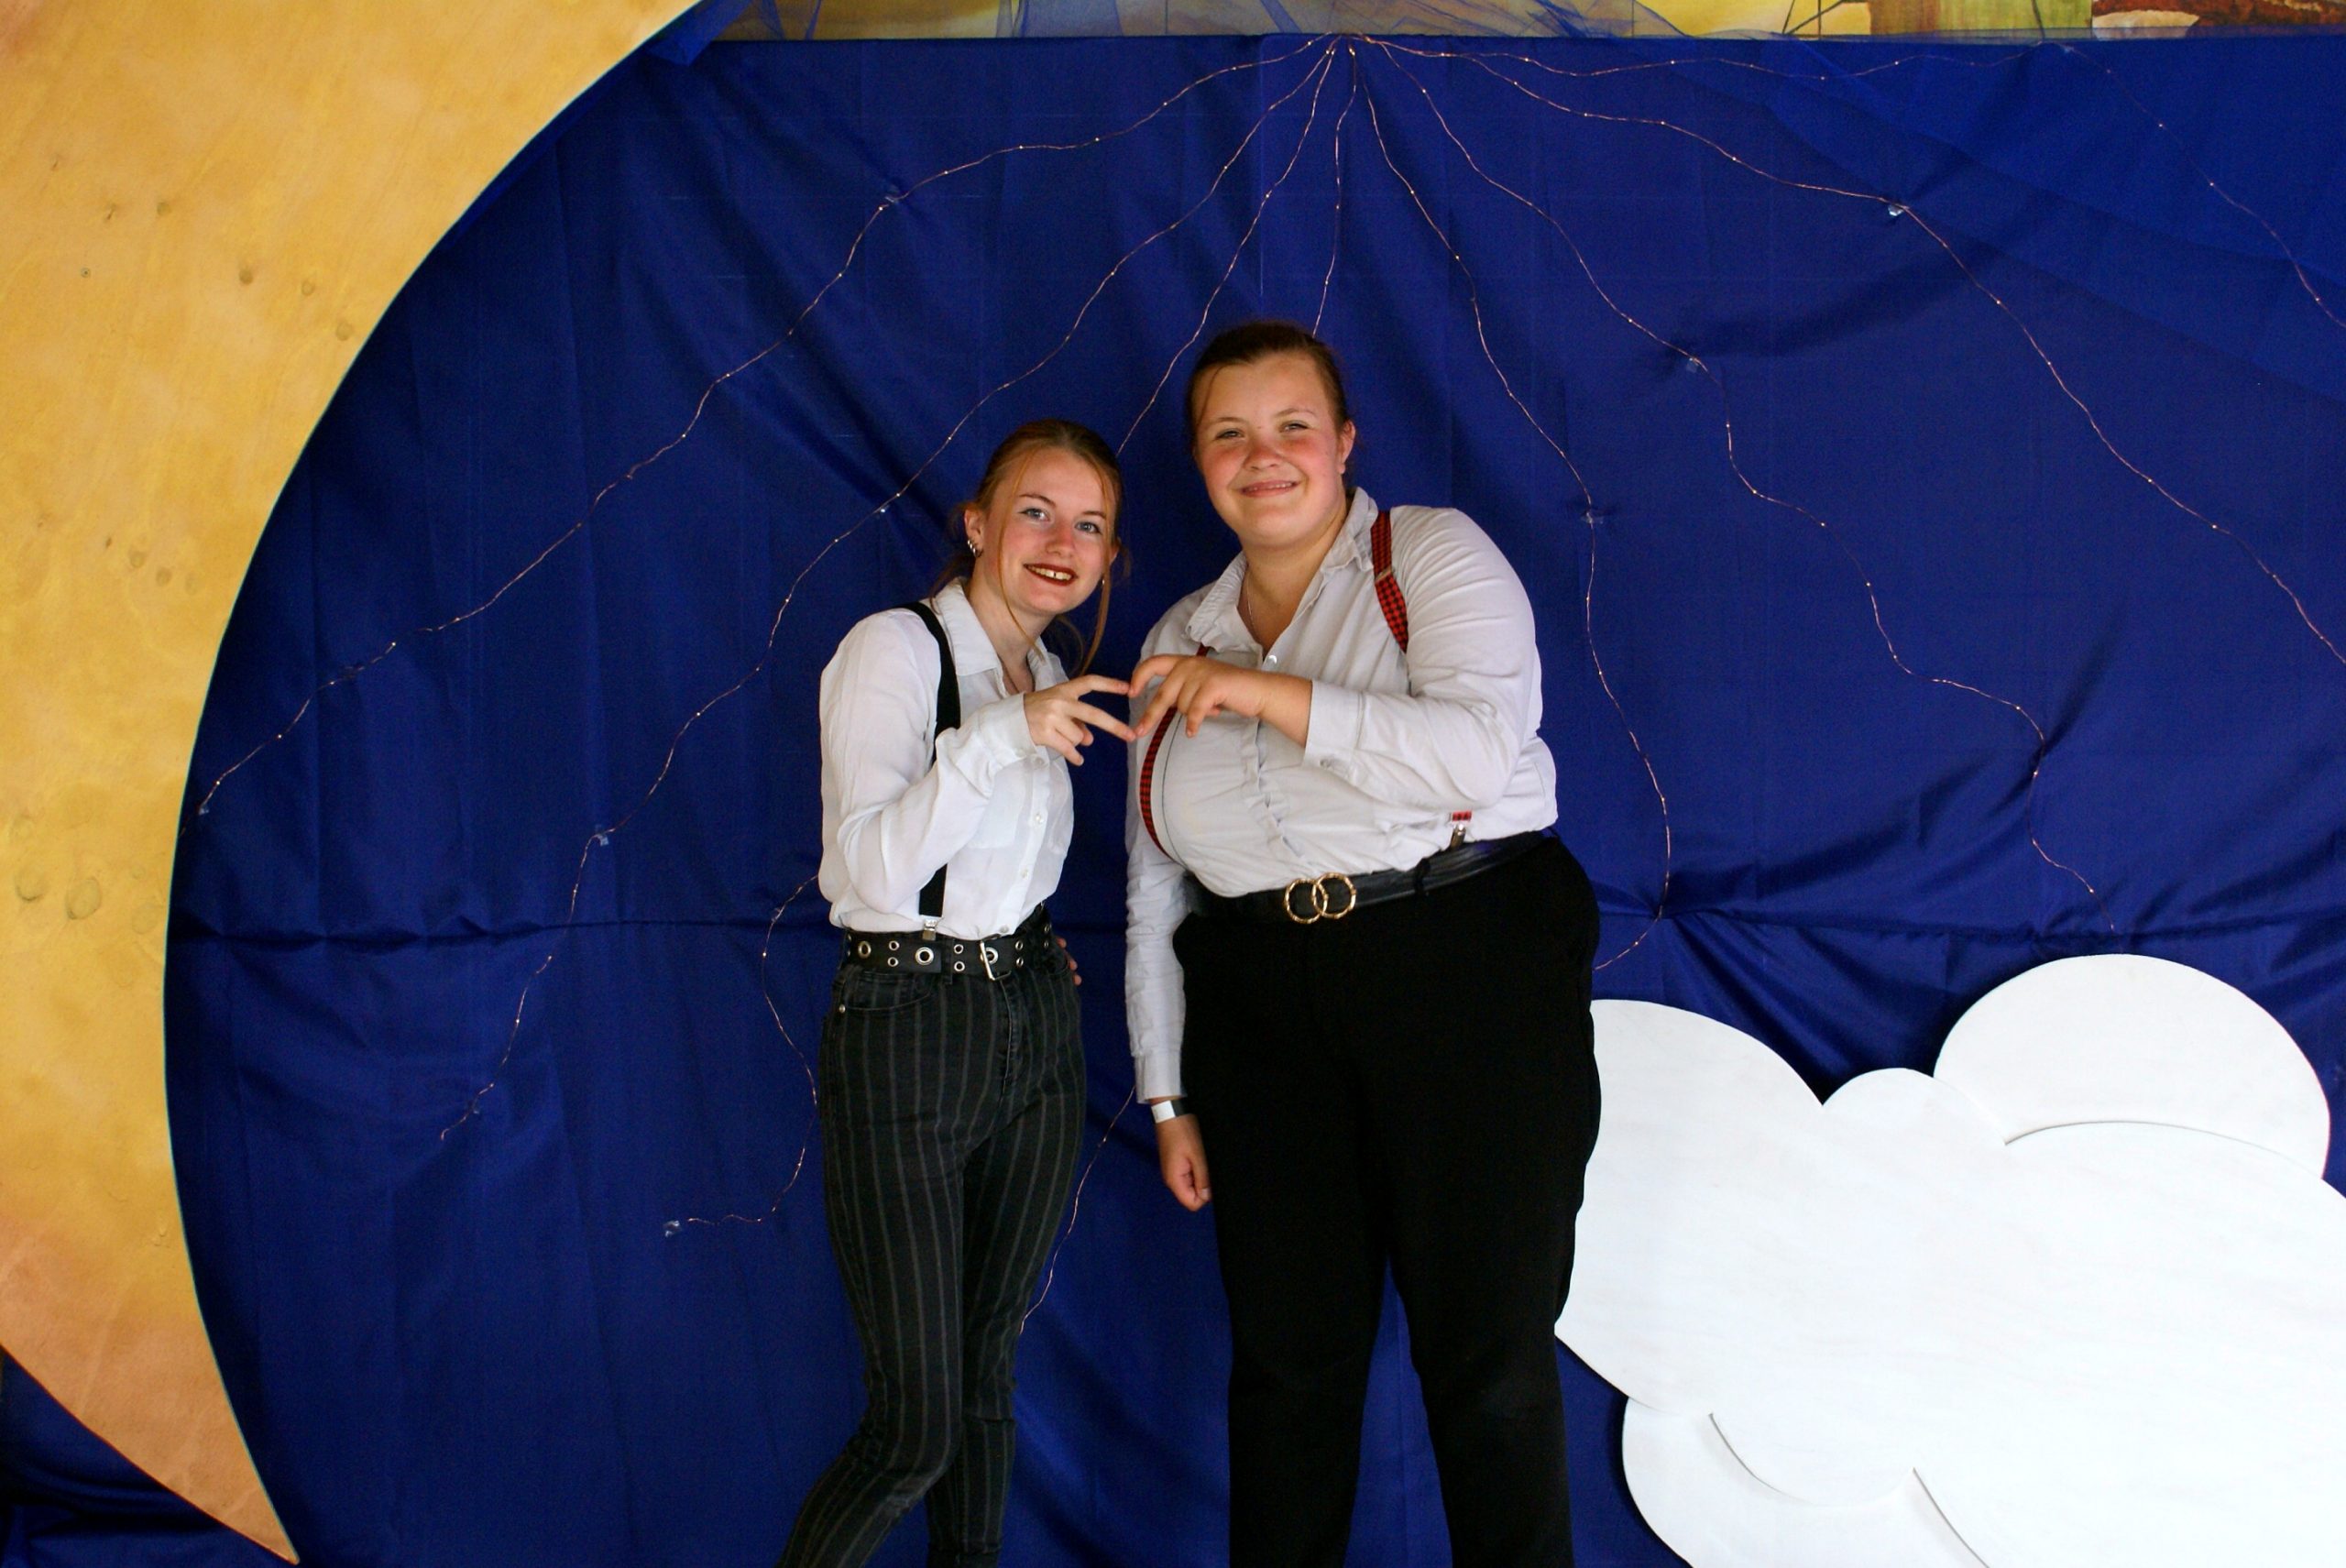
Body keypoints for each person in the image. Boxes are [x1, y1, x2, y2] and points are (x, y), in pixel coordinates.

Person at [1125, 322, 1603, 1567]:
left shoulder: (1430, 555)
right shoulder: (1177, 631)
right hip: (1260, 1008)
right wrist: (1168, 1093)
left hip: (1466, 963)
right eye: (1229, 433)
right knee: (1287, 1371)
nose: (1263, 455)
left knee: (1489, 1362)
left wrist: (1264, 695)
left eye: (1293, 426)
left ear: (1344, 442)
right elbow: (1157, 887)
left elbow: (1476, 753)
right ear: (1200, 462)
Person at [781, 420, 1134, 1568]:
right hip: (909, 1031)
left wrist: (1027, 949)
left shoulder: (1049, 672)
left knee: (985, 1383)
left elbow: (1000, 873)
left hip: (1032, 1029)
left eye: (1089, 525)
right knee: (917, 1423)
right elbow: (869, 872)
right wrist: (995, 737)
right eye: (1035, 511)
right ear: (976, 525)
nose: (1061, 542)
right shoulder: (896, 650)